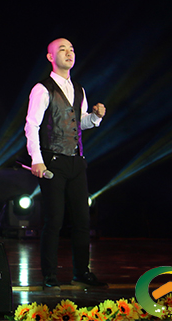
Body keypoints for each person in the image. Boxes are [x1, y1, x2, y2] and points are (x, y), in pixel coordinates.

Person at [24, 37, 108, 290]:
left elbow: (78, 122)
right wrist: (37, 160)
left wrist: (95, 117)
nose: (69, 53)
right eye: (62, 49)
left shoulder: (79, 89)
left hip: (76, 161)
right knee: (54, 221)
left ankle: (81, 272)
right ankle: (49, 275)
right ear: (51, 57)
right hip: (53, 161)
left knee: (82, 221)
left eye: (71, 49)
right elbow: (32, 125)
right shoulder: (42, 89)